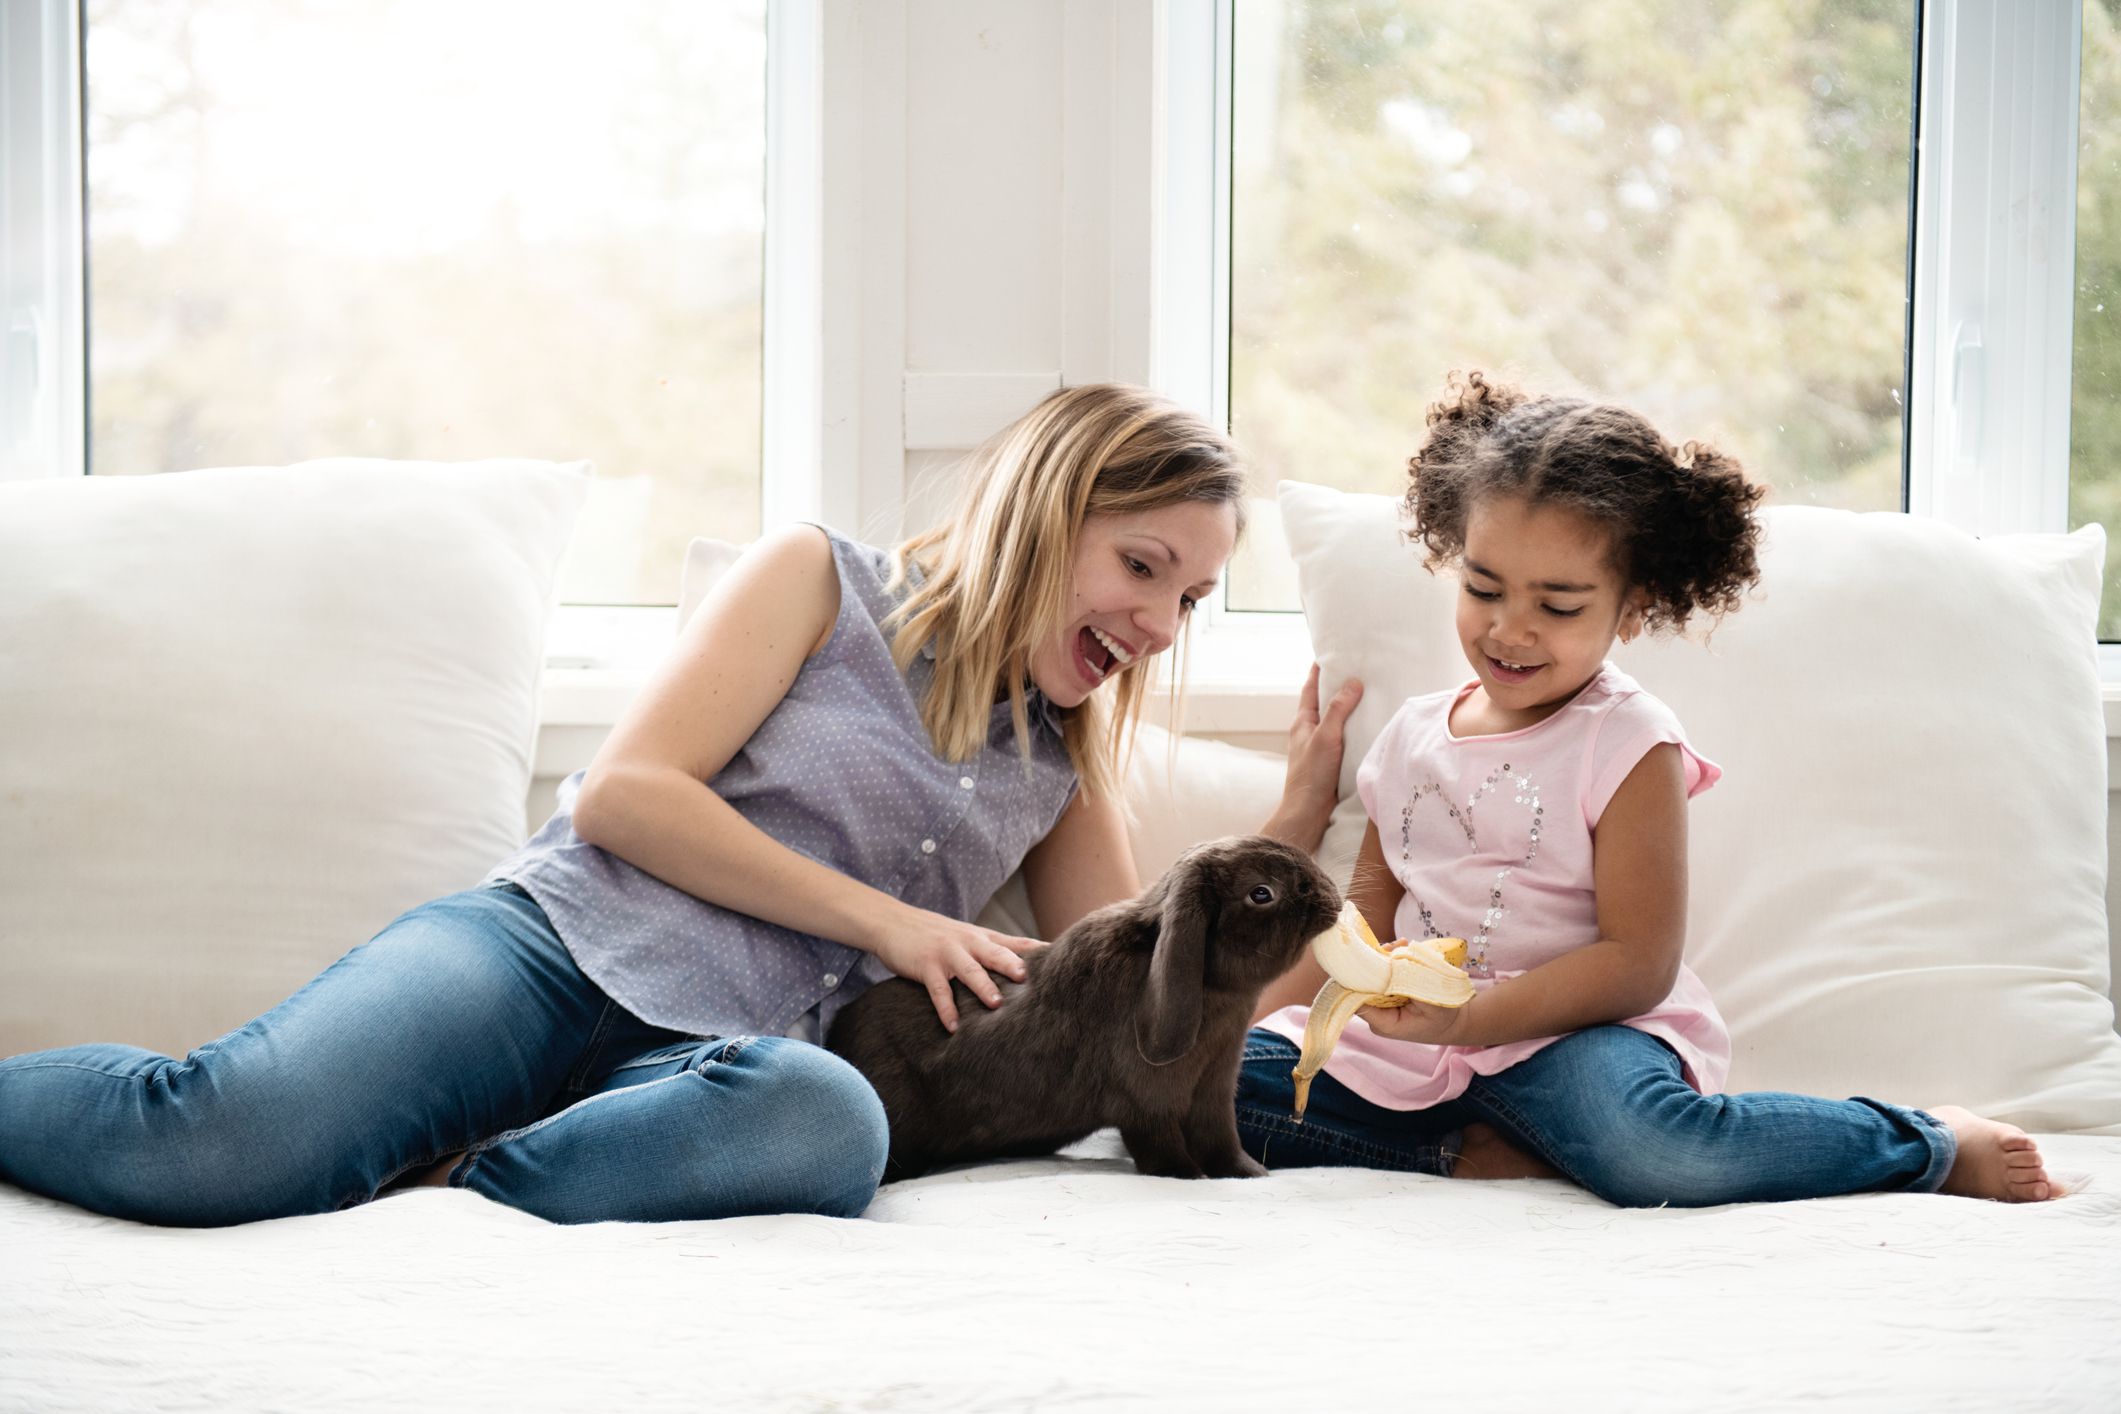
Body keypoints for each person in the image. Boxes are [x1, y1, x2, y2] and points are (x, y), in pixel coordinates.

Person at [0, 383, 1362, 1227]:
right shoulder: (821, 582)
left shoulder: (1057, 766)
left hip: (710, 1064)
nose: (1163, 622)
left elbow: (1142, 990)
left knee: (831, 1126)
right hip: (545, 955)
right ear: (1047, 507)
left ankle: (465, 1172)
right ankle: (386, 1139)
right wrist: (892, 923)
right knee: (215, 1139)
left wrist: (1302, 834)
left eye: (1189, 598)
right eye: (1142, 566)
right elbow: (627, 798)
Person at [1237, 371, 2059, 1206]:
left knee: (1657, 1151)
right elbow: (1361, 931)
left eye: (1557, 607)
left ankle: (1927, 1142)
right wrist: (1237, 1027)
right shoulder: (1410, 737)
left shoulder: (1627, 740)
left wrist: (1473, 1020)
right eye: (1483, 588)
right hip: (1409, 1051)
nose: (1507, 628)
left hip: (1577, 1043)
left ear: (1632, 610)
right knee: (1201, 1094)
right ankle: (1466, 1157)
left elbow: (1638, 964)